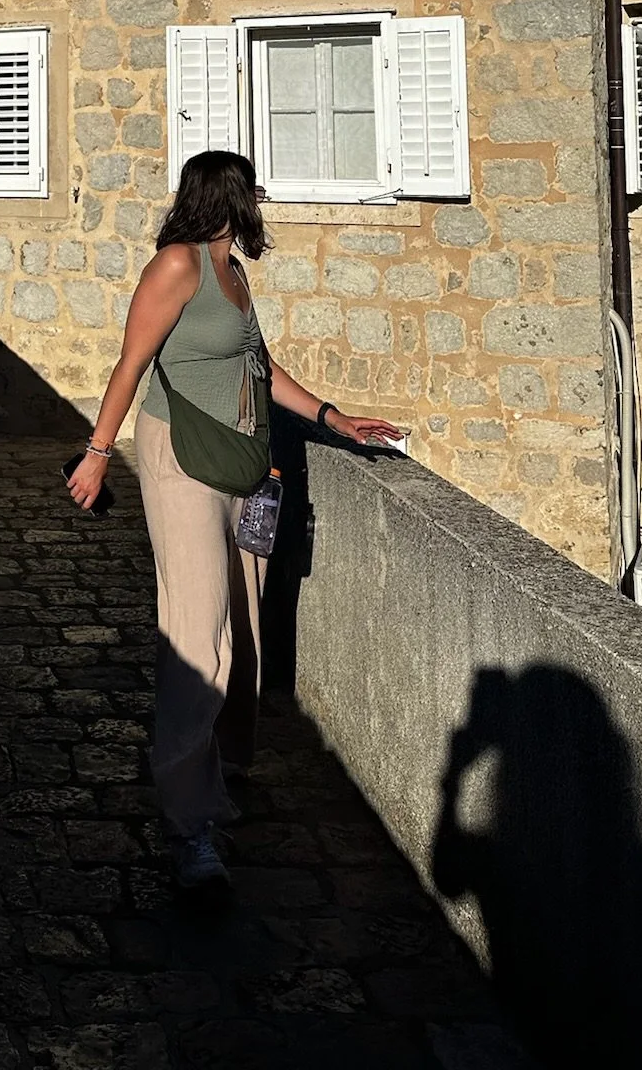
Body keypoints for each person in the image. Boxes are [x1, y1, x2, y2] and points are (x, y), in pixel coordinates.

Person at [66, 148, 404, 891]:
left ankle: (226, 770)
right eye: (253, 190)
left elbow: (260, 367)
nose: (262, 199)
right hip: (180, 457)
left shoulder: (233, 273)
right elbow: (130, 364)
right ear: (230, 197)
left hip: (244, 463)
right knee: (199, 634)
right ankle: (190, 831)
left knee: (245, 625)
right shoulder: (177, 268)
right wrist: (96, 453)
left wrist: (331, 416)